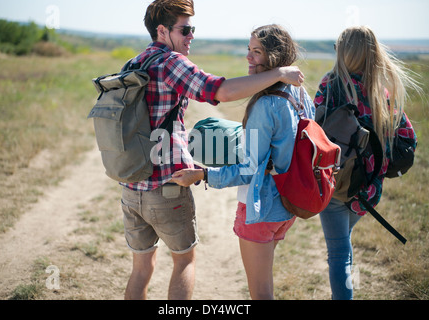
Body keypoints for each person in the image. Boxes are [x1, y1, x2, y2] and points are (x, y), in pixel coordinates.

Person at [121, 0, 304, 300]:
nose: (192, 35)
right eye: (186, 29)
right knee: (184, 261)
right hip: (168, 186)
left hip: (130, 187)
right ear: (162, 31)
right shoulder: (171, 63)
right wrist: (279, 74)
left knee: (141, 269)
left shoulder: (134, 63)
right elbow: (220, 91)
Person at [171, 24, 315, 300]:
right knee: (265, 285)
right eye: (248, 50)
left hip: (260, 209)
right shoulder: (300, 94)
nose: (248, 57)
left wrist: (202, 175)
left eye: (256, 52)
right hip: (287, 207)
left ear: (274, 59)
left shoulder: (265, 105)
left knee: (260, 294)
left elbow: (249, 171)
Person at [313, 26, 420, 300]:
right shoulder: (380, 91)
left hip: (336, 183)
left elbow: (312, 131)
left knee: (338, 253)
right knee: (344, 247)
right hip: (369, 189)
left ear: (343, 53)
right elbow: (409, 137)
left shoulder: (330, 84)